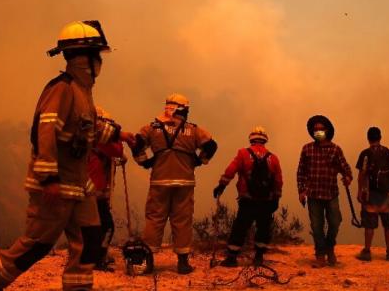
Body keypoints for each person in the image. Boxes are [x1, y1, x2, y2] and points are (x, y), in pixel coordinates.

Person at [0, 20, 133, 291]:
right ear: (85, 59)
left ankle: (77, 288)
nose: (100, 64)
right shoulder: (62, 89)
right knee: (38, 243)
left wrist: (121, 135)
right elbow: (44, 132)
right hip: (56, 186)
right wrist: (48, 179)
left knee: (90, 240)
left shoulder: (83, 93)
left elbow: (88, 130)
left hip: (80, 187)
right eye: (97, 57)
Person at [131, 93, 218, 274]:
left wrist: (144, 161)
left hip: (159, 182)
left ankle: (147, 261)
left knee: (155, 219)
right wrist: (199, 161)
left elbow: (136, 142)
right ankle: (183, 262)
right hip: (184, 183)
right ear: (183, 109)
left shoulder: (152, 128)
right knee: (182, 220)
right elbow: (211, 146)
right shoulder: (193, 130)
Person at [213, 126, 283, 267]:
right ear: (265, 140)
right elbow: (278, 180)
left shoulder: (243, 153)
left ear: (251, 138)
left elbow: (230, 170)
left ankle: (232, 258)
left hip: (247, 199)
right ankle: (258, 257)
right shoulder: (273, 158)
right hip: (266, 201)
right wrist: (276, 197)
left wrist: (221, 186)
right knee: (263, 228)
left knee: (240, 227)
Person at [296, 115, 353, 267]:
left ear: (327, 130)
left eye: (321, 129)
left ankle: (330, 247)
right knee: (316, 226)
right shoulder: (307, 149)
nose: (318, 132)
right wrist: (301, 191)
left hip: (331, 193)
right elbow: (301, 172)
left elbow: (346, 169)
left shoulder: (335, 149)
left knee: (335, 222)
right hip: (313, 194)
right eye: (315, 130)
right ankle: (320, 255)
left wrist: (347, 177)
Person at [87, 106, 127, 271]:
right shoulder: (100, 140)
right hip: (95, 191)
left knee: (89, 225)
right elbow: (117, 149)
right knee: (106, 226)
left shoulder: (86, 138)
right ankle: (98, 258)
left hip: (88, 190)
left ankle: (90, 256)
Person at [355, 127, 389, 262]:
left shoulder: (366, 154)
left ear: (368, 138)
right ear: (380, 137)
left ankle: (367, 251)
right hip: (386, 194)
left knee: (369, 225)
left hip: (371, 193)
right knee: (388, 224)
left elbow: (361, 175)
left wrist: (359, 191)